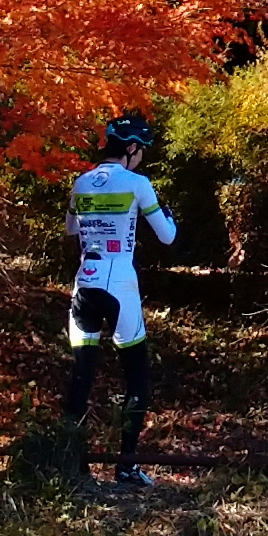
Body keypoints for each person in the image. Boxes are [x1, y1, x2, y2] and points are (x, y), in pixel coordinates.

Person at [61, 112, 180, 488]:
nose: (142, 157)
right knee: (138, 379)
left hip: (84, 283)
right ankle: (126, 467)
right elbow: (167, 237)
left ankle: (73, 466)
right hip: (120, 285)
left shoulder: (80, 182)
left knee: (81, 377)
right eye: (141, 150)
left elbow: (70, 228)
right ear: (131, 148)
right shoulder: (137, 183)